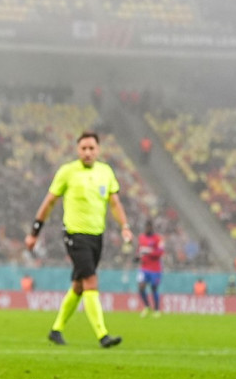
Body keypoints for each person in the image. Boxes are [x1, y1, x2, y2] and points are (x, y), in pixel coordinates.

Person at [24, 131, 133, 348]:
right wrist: (35, 232)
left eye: (91, 148)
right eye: (83, 148)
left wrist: (125, 227)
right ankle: (103, 335)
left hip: (97, 236)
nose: (87, 152)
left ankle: (56, 330)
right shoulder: (67, 172)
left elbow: (115, 203)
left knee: (78, 286)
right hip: (75, 235)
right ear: (77, 150)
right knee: (91, 280)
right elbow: (49, 202)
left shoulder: (106, 172)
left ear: (98, 150)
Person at [136, 219, 164, 317]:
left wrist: (149, 252)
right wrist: (137, 257)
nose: (147, 229)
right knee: (141, 287)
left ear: (152, 228)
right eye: (146, 227)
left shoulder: (158, 239)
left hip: (155, 269)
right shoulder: (141, 237)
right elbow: (139, 250)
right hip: (144, 268)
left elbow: (160, 252)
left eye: (149, 227)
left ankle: (156, 309)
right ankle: (147, 306)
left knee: (154, 288)